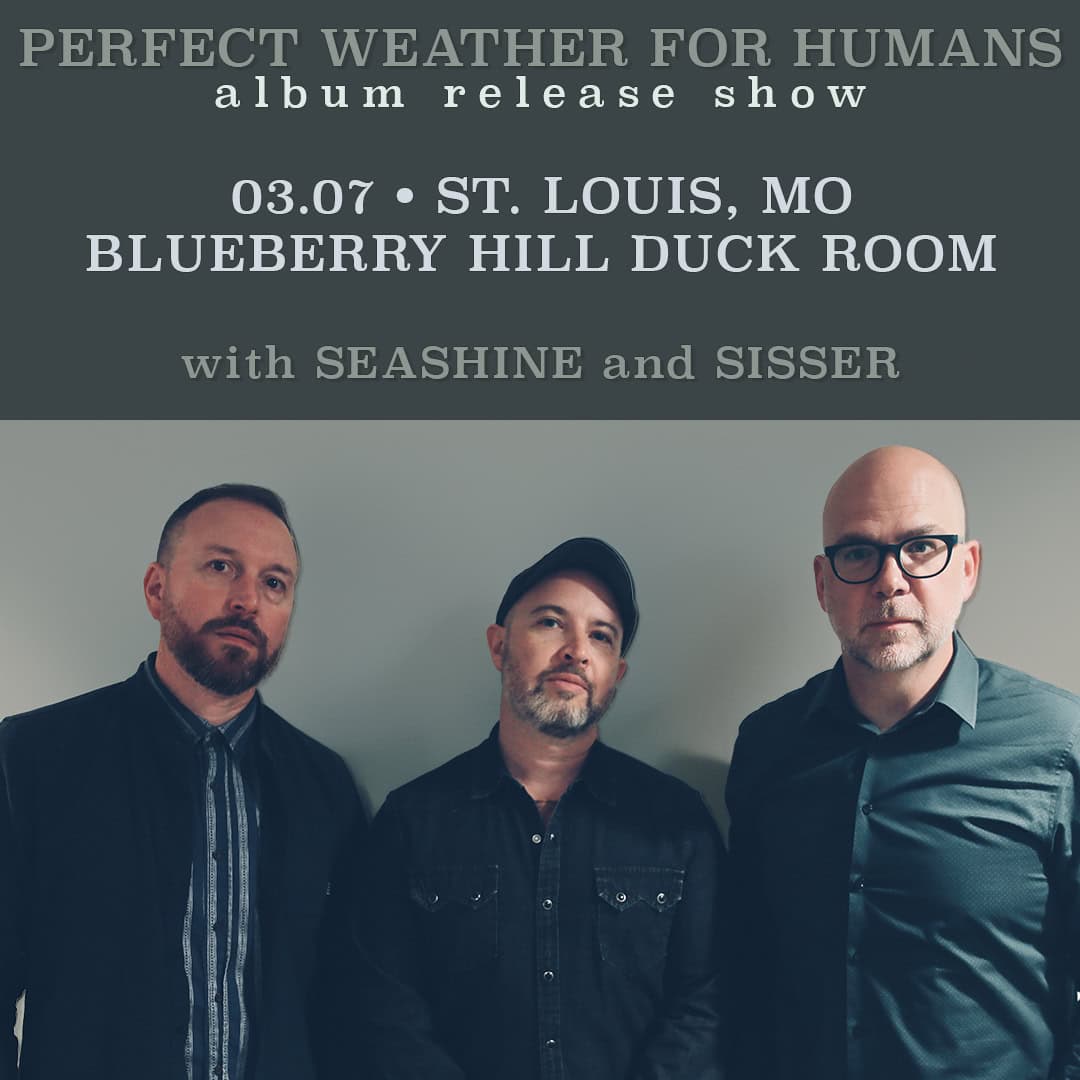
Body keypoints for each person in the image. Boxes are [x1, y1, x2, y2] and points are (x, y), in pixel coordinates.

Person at [725, 446, 1080, 1080]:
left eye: (920, 547)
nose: (890, 580)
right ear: (823, 583)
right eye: (858, 553)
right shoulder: (766, 744)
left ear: (966, 569)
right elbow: (748, 962)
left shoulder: (1060, 741)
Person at [0, 484, 363, 1080]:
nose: (248, 599)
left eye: (275, 583)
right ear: (156, 588)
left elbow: (348, 1000)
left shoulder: (324, 787)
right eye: (221, 566)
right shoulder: (35, 756)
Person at [359, 537, 727, 1080]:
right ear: (499, 645)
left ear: (616, 673)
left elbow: (707, 999)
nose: (576, 650)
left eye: (601, 636)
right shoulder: (412, 821)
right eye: (551, 622)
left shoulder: (677, 823)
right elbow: (386, 1009)